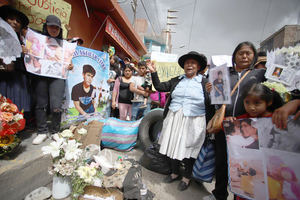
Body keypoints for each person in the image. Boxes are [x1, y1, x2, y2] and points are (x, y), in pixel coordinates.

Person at [204, 41, 266, 200]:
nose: (244, 56)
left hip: (247, 126)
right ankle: (219, 194)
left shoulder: (259, 75)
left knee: (244, 164)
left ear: (254, 56)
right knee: (222, 162)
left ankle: (240, 196)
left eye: (248, 53)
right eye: (241, 53)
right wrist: (210, 92)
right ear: (235, 56)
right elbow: (216, 101)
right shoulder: (221, 73)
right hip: (224, 124)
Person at [147, 51, 213, 191]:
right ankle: (174, 172)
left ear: (198, 66)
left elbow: (212, 102)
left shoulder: (205, 82)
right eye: (187, 63)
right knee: (172, 146)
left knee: (189, 149)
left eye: (193, 63)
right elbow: (159, 87)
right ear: (183, 66)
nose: (189, 65)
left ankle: (186, 177)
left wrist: (212, 93)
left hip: (194, 120)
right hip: (174, 117)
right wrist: (153, 72)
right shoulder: (177, 80)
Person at [32, 15, 73, 145]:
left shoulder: (65, 45)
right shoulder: (38, 41)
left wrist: (70, 65)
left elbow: (68, 62)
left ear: (60, 29)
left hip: (57, 77)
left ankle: (55, 131)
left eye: (57, 27)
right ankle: (42, 131)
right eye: (51, 26)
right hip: (41, 76)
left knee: (56, 106)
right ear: (46, 27)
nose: (54, 29)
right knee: (41, 104)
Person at [0, 5, 32, 122]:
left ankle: (14, 132)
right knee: (4, 106)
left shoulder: (24, 42)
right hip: (3, 78)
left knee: (18, 106)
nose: (14, 22)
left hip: (19, 79)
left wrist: (25, 53)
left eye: (18, 21)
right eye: (11, 19)